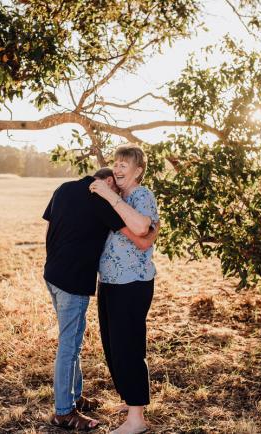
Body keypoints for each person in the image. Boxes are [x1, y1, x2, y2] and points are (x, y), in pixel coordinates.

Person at [43, 168, 155, 431]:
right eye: (114, 188)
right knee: (69, 345)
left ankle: (74, 396)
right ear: (105, 182)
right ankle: (63, 412)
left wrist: (56, 261)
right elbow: (138, 237)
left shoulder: (63, 188)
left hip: (52, 274)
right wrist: (153, 232)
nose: (115, 193)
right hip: (74, 281)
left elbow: (48, 229)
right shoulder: (99, 199)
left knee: (73, 339)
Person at [89, 145, 159, 434]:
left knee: (128, 347)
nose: (117, 169)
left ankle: (136, 420)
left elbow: (143, 232)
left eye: (124, 165)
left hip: (132, 283)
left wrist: (106, 195)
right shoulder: (122, 197)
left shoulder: (141, 195)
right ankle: (131, 401)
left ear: (138, 171)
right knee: (114, 345)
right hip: (110, 282)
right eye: (115, 164)